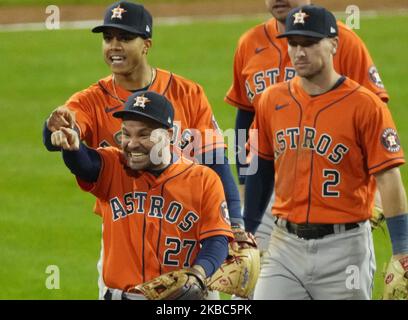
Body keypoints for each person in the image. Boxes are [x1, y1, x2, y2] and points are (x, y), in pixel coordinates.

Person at [42, 1, 242, 298]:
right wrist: (57, 129)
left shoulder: (187, 93)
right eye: (108, 38)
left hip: (188, 230)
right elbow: (69, 143)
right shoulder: (91, 101)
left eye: (124, 38)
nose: (114, 46)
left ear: (146, 44)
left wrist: (234, 223)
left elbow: (215, 159)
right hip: (126, 227)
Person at [247, 5, 407, 300]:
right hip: (285, 245)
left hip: (345, 248)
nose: (299, 52)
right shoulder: (271, 100)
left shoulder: (366, 106)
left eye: (309, 43)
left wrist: (402, 251)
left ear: (334, 44)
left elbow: (389, 178)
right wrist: (246, 233)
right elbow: (261, 166)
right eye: (293, 44)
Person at [225, 0, 389, 250]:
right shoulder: (249, 42)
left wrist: (374, 188)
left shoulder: (342, 41)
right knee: (246, 276)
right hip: (266, 188)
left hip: (331, 191)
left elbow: (374, 118)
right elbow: (245, 118)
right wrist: (245, 181)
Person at [49, 90, 233, 299]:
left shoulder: (203, 179)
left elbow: (217, 239)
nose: (132, 143)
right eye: (127, 133)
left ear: (169, 134)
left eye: (144, 135)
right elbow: (86, 164)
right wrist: (72, 148)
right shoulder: (114, 165)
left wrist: (198, 275)